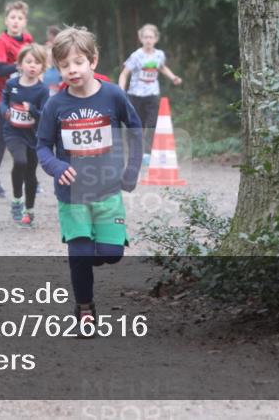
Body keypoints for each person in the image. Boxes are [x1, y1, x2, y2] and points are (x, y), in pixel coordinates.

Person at [37, 26, 142, 335]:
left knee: (111, 254)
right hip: (72, 195)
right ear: (58, 69)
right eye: (65, 64)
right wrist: (56, 167)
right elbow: (42, 145)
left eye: (79, 62)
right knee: (80, 253)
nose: (72, 69)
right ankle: (85, 309)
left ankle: (88, 253)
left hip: (109, 190)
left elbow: (135, 130)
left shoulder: (113, 95)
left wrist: (132, 170)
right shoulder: (55, 105)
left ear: (93, 61)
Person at [0, 0, 34, 197]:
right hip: (1, 98)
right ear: (6, 20)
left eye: (20, 18)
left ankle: (30, 178)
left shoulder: (28, 40)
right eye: (12, 17)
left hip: (23, 99)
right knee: (2, 139)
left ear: (25, 22)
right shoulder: (2, 42)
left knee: (29, 136)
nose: (15, 21)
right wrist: (21, 65)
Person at [117, 23, 182, 162]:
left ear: (156, 39)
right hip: (135, 95)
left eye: (151, 37)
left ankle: (147, 153)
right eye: (145, 37)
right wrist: (121, 90)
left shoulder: (159, 55)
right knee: (136, 125)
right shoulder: (136, 56)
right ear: (141, 38)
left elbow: (162, 68)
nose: (148, 40)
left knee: (152, 124)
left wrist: (173, 77)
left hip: (152, 95)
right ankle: (135, 152)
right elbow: (124, 74)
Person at [0, 43, 49, 227]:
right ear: (20, 64)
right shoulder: (12, 84)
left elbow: (45, 114)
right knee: (20, 161)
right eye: (28, 62)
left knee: (30, 174)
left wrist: (33, 110)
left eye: (37, 63)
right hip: (13, 132)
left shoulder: (42, 90)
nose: (32, 66)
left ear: (42, 67)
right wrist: (5, 110)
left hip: (33, 136)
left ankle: (29, 210)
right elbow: (3, 99)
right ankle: (16, 199)